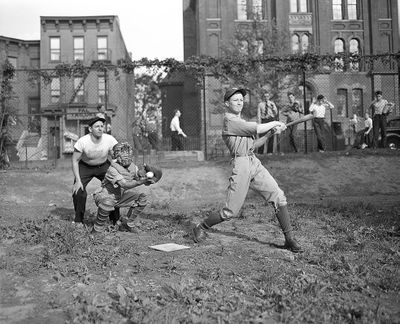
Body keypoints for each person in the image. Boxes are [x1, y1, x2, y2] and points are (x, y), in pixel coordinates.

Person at [192, 88, 303, 253]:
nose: (239, 102)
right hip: (241, 164)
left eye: (241, 100)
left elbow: (253, 146)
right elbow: (257, 128)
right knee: (230, 211)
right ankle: (201, 227)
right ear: (227, 103)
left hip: (253, 162)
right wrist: (275, 123)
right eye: (235, 100)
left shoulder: (240, 122)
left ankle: (289, 239)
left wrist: (270, 134)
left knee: (278, 196)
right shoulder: (229, 121)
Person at [92, 142, 162, 233]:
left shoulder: (133, 167)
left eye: (128, 153)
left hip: (119, 197)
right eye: (122, 154)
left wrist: (148, 178)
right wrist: (140, 181)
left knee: (142, 198)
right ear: (116, 156)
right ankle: (96, 230)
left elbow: (141, 179)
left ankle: (127, 224)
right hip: (104, 196)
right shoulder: (112, 169)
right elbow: (124, 185)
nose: (126, 156)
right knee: (107, 202)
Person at [71, 116, 118, 225]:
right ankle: (78, 220)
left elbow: (116, 156)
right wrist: (78, 181)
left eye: (102, 126)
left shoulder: (109, 139)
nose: (100, 128)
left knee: (114, 188)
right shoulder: (82, 141)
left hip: (103, 165)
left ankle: (115, 220)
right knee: (78, 191)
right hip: (85, 166)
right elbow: (74, 161)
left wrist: (116, 171)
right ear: (90, 129)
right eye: (97, 126)